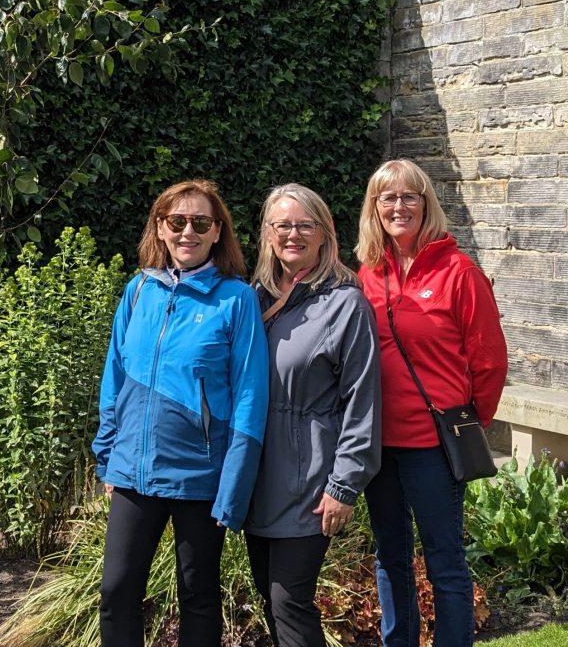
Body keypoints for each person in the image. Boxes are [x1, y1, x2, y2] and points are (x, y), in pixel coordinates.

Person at [92, 178, 269, 647]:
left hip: (200, 479)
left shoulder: (236, 299)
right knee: (116, 591)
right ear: (160, 227)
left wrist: (233, 487)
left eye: (200, 222)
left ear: (217, 232)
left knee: (198, 595)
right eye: (177, 221)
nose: (187, 231)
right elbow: (115, 380)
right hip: (133, 473)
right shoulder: (137, 292)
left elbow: (251, 400)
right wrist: (108, 456)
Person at [355, 158, 508, 647]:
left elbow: (489, 360)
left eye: (409, 196)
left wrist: (465, 422)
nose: (398, 206)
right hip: (379, 446)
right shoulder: (367, 274)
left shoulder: (459, 272)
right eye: (387, 197)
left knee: (444, 562)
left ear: (426, 204)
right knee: (390, 558)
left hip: (433, 446)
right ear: (374, 208)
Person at [243, 183, 381, 647]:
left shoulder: (346, 304)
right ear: (267, 233)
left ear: (324, 234)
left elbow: (362, 400)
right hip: (257, 476)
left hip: (310, 480)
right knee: (268, 595)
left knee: (289, 600)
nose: (293, 235)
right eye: (282, 225)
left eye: (305, 225)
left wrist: (344, 484)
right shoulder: (253, 298)